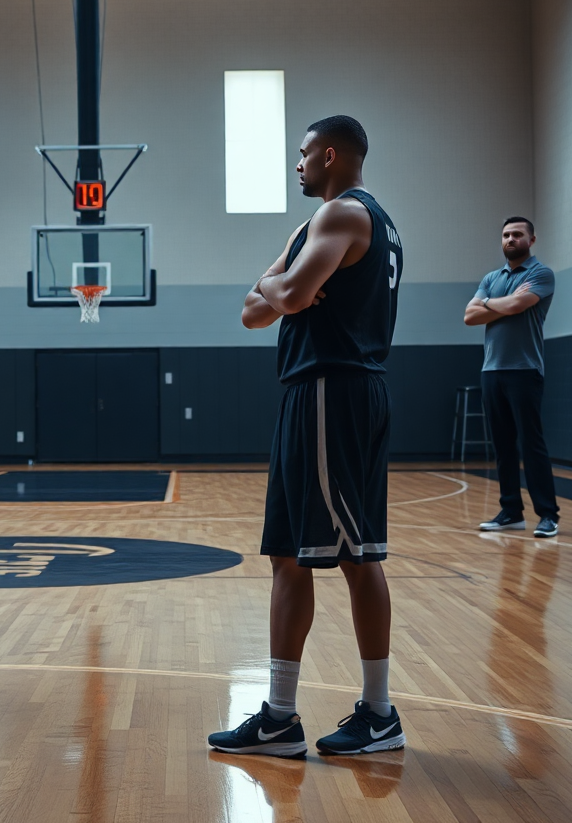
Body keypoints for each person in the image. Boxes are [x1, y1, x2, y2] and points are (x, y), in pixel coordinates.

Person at [208, 115, 406, 758]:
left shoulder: (345, 216)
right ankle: (280, 718)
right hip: (309, 394)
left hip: (335, 389)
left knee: (357, 554)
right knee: (288, 555)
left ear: (330, 154)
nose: (296, 165)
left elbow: (284, 296)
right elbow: (250, 310)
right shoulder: (313, 224)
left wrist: (283, 287)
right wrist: (282, 289)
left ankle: (379, 713)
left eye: (302, 156)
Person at [463, 217, 560, 538]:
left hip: (525, 370)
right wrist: (498, 304)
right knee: (503, 445)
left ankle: (548, 514)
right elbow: (469, 316)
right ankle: (511, 511)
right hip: (491, 371)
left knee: (531, 444)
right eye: (506, 235)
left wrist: (487, 303)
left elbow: (520, 304)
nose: (510, 239)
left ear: (531, 240)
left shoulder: (540, 273)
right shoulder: (492, 277)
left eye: (517, 235)